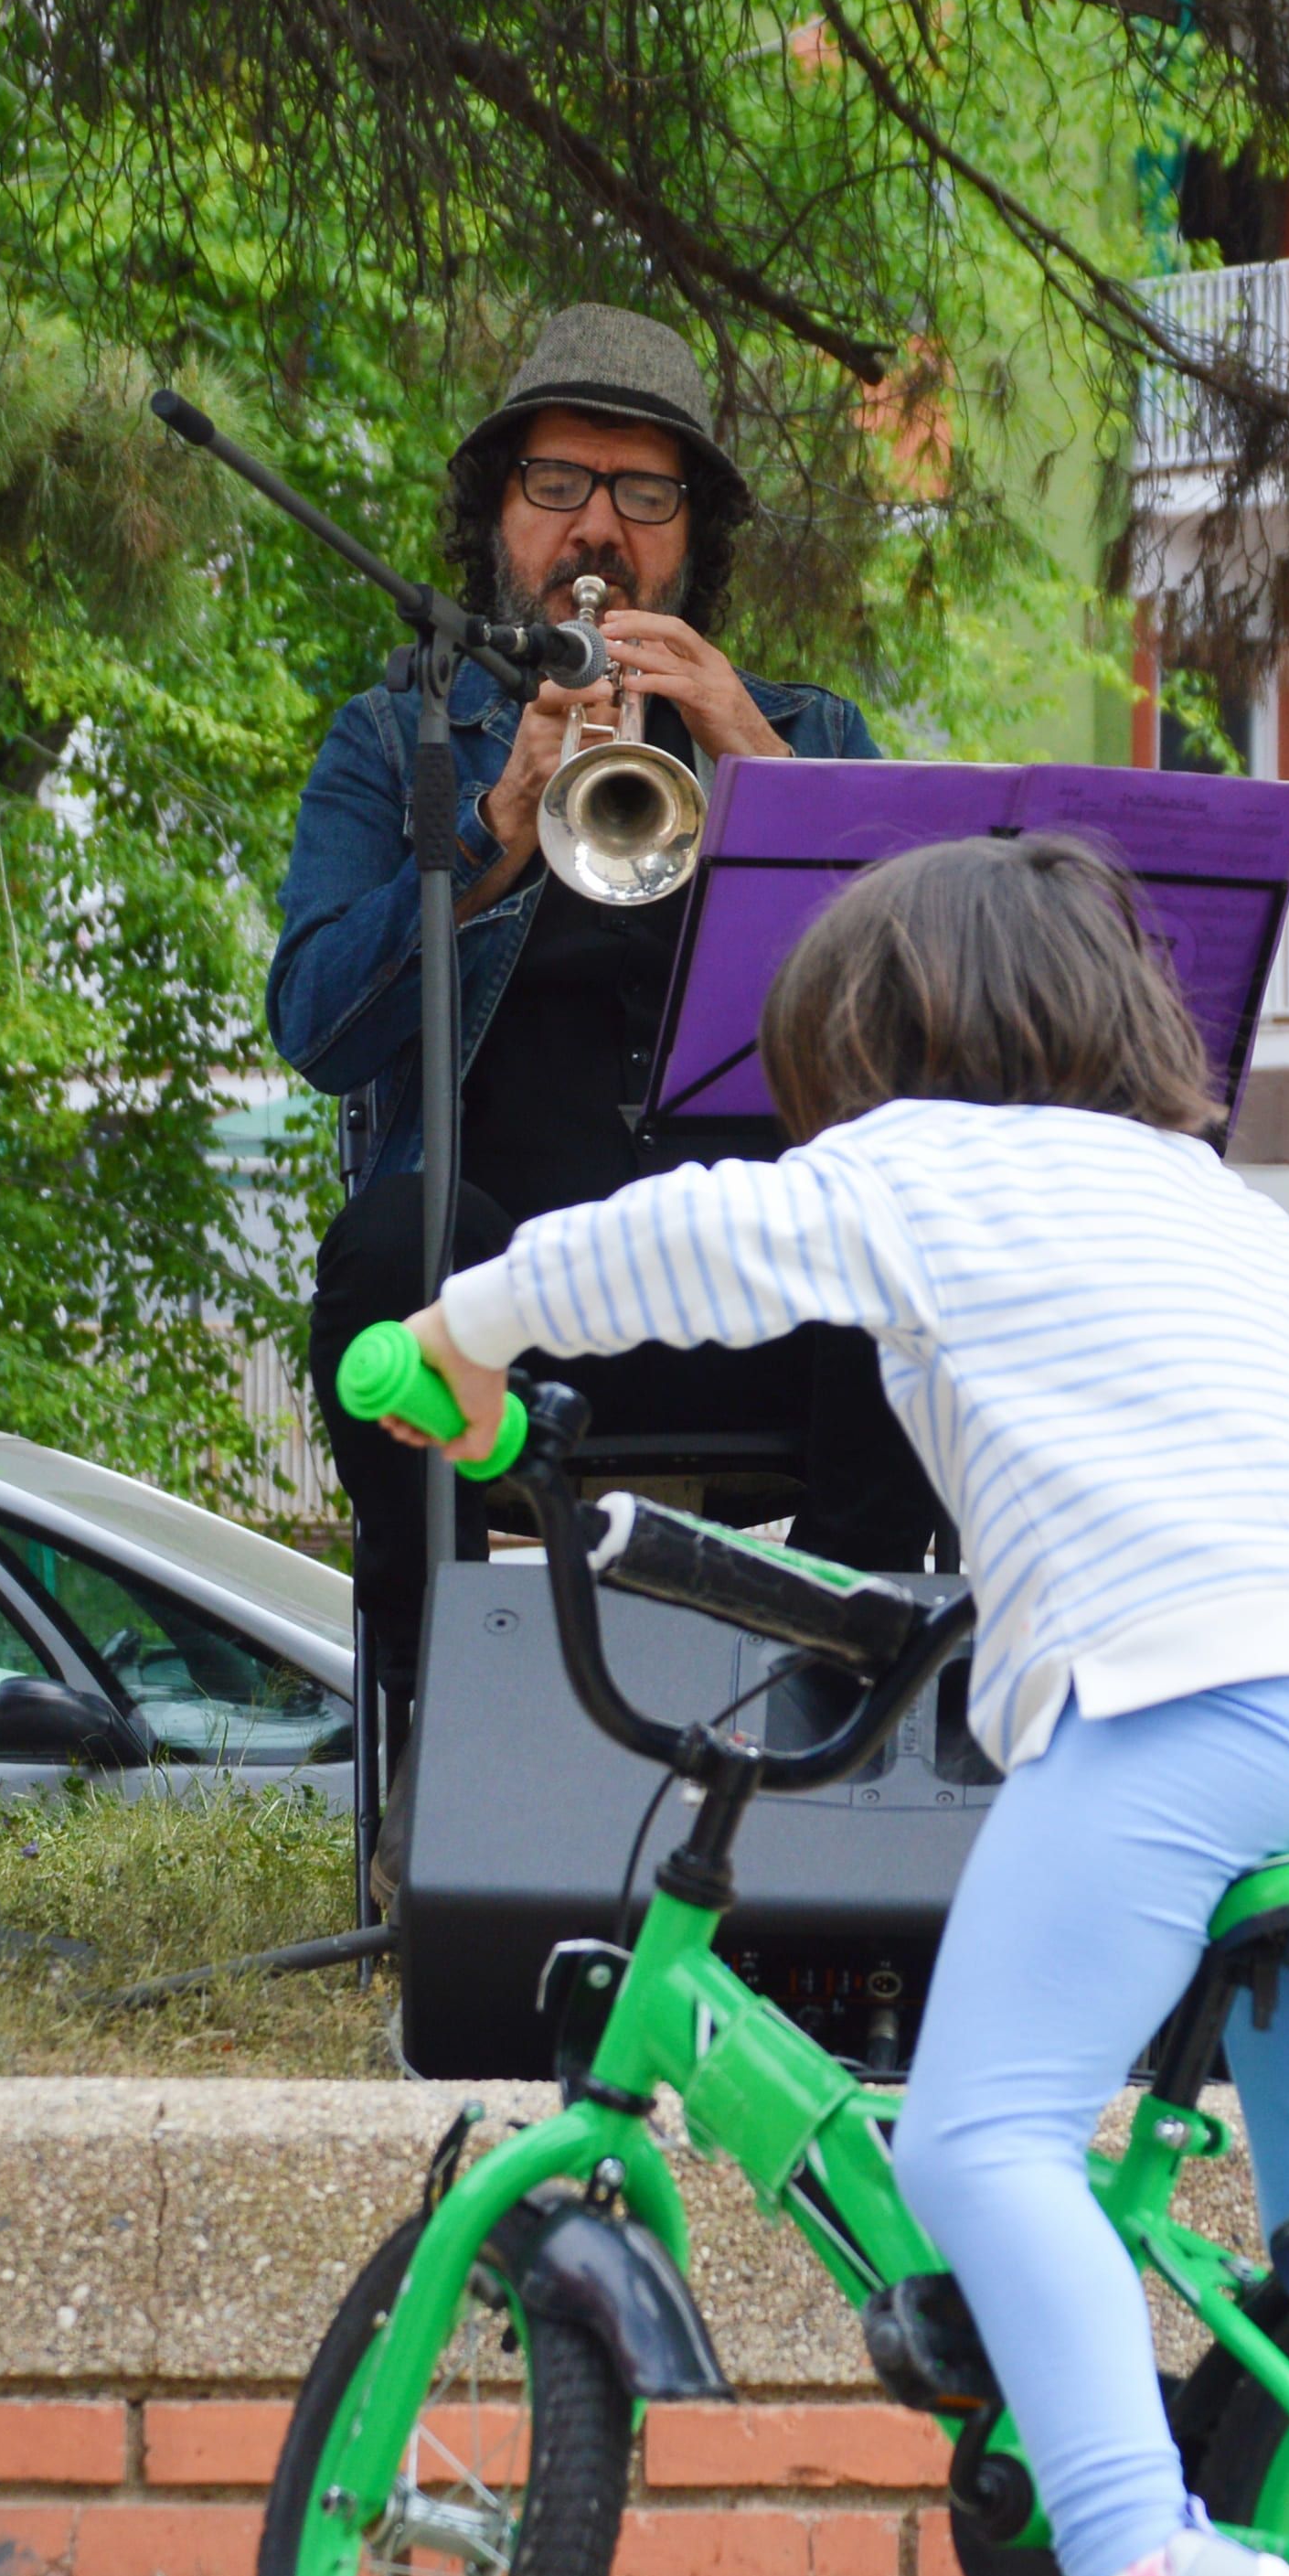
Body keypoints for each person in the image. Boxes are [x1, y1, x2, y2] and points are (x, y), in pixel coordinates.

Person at [373, 831, 1289, 2576]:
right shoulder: (1244, 1221)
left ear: (877, 1043)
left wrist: (453, 1332)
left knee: (983, 2129)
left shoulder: (925, 1165)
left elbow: (683, 1249)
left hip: (1183, 1695)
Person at [267, 304, 943, 1773]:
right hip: (508, 1323)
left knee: (917, 1262)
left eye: (646, 494)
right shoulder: (394, 741)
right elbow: (316, 1026)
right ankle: (442, 1763)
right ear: (494, 514)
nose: (600, 529)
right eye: (560, 483)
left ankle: (832, 1735)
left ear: (693, 535)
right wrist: (492, 829)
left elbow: (951, 1013)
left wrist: (755, 766)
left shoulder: (805, 731)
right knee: (388, 1246)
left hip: (756, 1312)